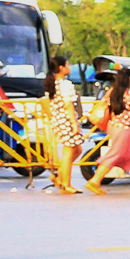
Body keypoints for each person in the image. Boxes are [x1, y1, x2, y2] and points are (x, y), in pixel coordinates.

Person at [89, 67, 130, 195]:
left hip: (114, 126)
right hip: (124, 129)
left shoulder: (111, 92)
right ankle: (95, 180)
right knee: (114, 154)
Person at [42, 56, 84, 194]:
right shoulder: (65, 85)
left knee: (76, 150)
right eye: (67, 64)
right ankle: (66, 184)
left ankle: (59, 176)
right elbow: (68, 105)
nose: (69, 66)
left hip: (58, 119)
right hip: (66, 120)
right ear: (61, 68)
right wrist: (74, 124)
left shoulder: (52, 83)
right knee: (69, 151)